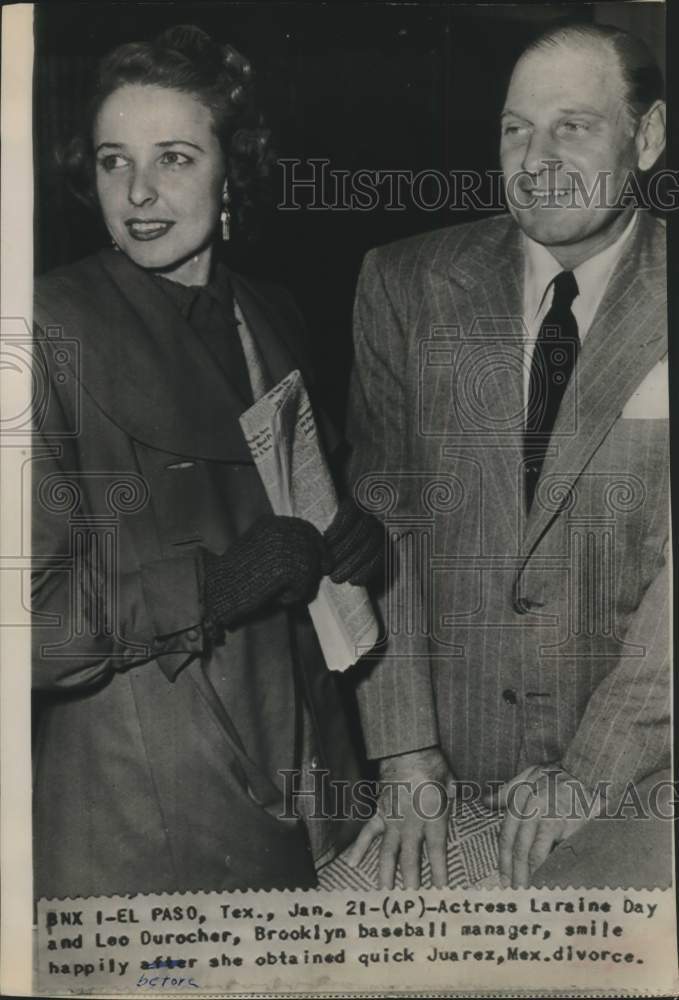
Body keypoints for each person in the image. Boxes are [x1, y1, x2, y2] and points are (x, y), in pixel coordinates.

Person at [32, 24, 383, 898]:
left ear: (235, 169)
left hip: (311, 782)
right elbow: (26, 626)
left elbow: (308, 498)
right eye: (114, 162)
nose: (139, 193)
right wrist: (214, 586)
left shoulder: (271, 314)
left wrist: (359, 543)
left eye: (175, 158)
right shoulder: (44, 327)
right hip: (151, 800)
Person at [345, 20, 669, 890]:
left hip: (639, 777)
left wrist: (589, 777)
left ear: (645, 137)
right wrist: (406, 751)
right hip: (444, 775)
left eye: (572, 125)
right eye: (514, 128)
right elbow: (380, 526)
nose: (536, 158)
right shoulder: (405, 284)